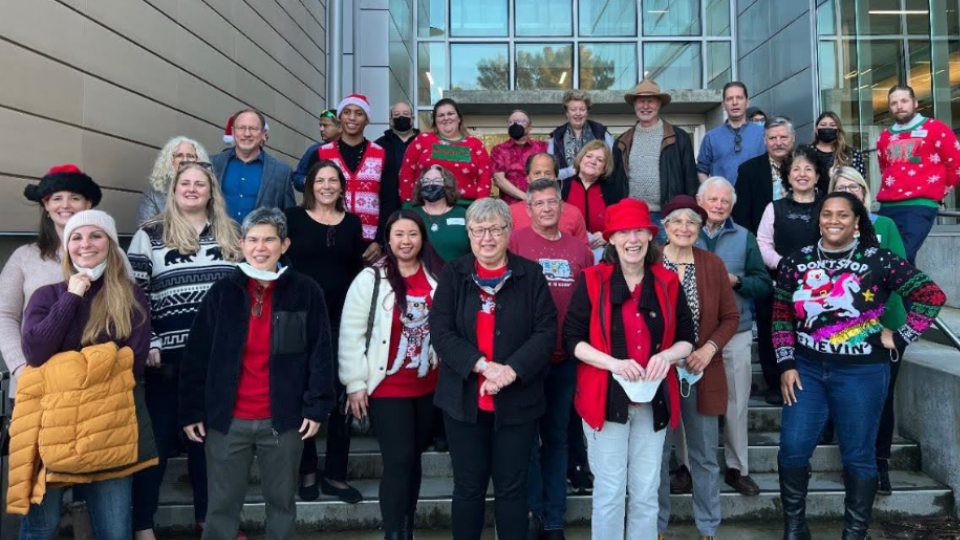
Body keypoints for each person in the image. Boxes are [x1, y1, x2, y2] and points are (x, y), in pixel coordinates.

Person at [774, 192, 945, 540]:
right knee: (792, 449)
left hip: (861, 373)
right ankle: (795, 528)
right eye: (826, 214)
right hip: (806, 370)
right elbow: (780, 317)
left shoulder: (878, 259)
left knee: (858, 456)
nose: (833, 220)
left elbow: (931, 295)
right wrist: (786, 363)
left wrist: (900, 337)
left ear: (856, 222)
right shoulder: (796, 261)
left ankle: (855, 533)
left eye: (842, 215)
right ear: (818, 219)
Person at [179, 207, 335, 540]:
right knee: (220, 508)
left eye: (269, 239)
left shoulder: (305, 291)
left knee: (281, 506)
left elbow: (321, 352)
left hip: (283, 420)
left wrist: (317, 404)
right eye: (252, 239)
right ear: (241, 243)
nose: (260, 247)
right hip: (227, 421)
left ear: (284, 244)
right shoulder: (223, 293)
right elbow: (197, 355)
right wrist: (192, 409)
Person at [15, 210, 155, 540]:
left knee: (115, 531)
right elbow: (35, 352)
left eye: (96, 236)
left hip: (109, 430)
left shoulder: (130, 296)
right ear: (67, 248)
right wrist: (72, 296)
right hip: (49, 432)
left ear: (110, 244)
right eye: (76, 237)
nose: (85, 244)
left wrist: (61, 369)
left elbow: (131, 363)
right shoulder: (47, 296)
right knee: (40, 528)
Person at [563, 198, 695, 540]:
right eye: (623, 232)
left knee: (647, 491)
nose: (632, 239)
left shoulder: (667, 281)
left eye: (639, 231)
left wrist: (665, 357)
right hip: (603, 399)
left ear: (650, 237)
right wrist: (615, 364)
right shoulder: (591, 280)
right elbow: (572, 341)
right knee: (608, 492)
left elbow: (686, 339)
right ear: (611, 239)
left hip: (654, 401)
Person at [127, 162, 243, 540]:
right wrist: (151, 341)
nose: (192, 189)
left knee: (208, 445)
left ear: (212, 192)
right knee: (156, 444)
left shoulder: (233, 233)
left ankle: (209, 521)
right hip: (168, 360)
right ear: (173, 190)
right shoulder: (150, 234)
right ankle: (143, 526)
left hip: (217, 359)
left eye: (200, 184)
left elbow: (244, 290)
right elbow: (133, 295)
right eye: (185, 184)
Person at [430, 198, 557, 540]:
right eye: (479, 230)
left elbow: (545, 332)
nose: (487, 237)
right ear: (469, 234)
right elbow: (441, 331)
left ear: (508, 231)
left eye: (495, 229)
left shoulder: (530, 274)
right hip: (463, 401)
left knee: (512, 488)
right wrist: (484, 367)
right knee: (468, 487)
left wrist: (510, 371)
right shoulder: (453, 274)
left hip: (518, 402)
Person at [340, 210, 444, 540]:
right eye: (399, 234)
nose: (406, 241)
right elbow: (351, 333)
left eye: (412, 234)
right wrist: (355, 384)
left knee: (413, 462)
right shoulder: (371, 279)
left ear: (422, 238)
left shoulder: (436, 278)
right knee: (398, 461)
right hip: (387, 388)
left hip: (427, 386)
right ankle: (393, 533)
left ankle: (407, 527)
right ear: (388, 239)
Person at [507, 178, 593, 540]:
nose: (545, 208)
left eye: (551, 202)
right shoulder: (515, 243)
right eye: (538, 203)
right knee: (526, 441)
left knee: (557, 439)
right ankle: (533, 514)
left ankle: (554, 520)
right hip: (525, 359)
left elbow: (589, 302)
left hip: (566, 358)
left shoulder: (580, 250)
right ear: (528, 210)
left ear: (563, 208)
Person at [656, 195, 739, 540]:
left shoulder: (711, 264)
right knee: (656, 456)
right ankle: (656, 526)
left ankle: (707, 528)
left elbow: (730, 317)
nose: (684, 227)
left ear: (701, 228)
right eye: (677, 221)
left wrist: (708, 348)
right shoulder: (650, 263)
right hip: (657, 373)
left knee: (704, 455)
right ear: (665, 227)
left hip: (701, 370)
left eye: (692, 222)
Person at [284, 161, 367, 504]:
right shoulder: (292, 218)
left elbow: (356, 272)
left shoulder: (352, 223)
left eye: (334, 180)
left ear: (342, 187)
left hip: (341, 319)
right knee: (302, 393)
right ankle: (306, 470)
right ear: (310, 186)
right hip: (297, 317)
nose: (327, 186)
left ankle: (335, 473)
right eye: (321, 180)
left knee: (341, 394)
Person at [828, 167, 908, 495]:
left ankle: (880, 462)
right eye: (841, 187)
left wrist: (884, 327)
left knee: (882, 397)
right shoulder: (828, 228)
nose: (849, 191)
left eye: (854, 187)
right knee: (847, 397)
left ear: (864, 192)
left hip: (884, 326)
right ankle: (854, 463)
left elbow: (901, 274)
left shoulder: (884, 225)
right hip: (844, 329)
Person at [694, 178, 772, 497]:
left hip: (736, 332)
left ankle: (738, 468)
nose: (718, 205)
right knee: (693, 405)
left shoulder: (744, 237)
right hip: (692, 335)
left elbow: (763, 284)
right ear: (700, 201)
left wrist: (737, 281)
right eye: (712, 199)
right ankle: (687, 467)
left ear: (732, 204)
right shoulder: (683, 231)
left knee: (736, 405)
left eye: (725, 201)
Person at [1, 165, 99, 403]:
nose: (65, 205)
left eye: (74, 197)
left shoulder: (113, 255)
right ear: (46, 205)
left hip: (95, 385)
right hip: (36, 383)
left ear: (87, 204)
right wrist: (20, 367)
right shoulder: (24, 257)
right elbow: (5, 315)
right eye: (57, 198)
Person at [754, 147, 826, 406]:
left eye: (808, 169)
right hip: (780, 283)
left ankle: (812, 391)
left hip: (821, 289)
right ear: (788, 176)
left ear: (818, 176)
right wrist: (784, 264)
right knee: (775, 333)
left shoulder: (828, 206)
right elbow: (762, 243)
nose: (802, 174)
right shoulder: (774, 208)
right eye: (796, 169)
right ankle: (776, 385)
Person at [877, 84, 960, 264]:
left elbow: (955, 164)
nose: (899, 106)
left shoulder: (936, 128)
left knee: (900, 258)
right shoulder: (884, 136)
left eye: (904, 101)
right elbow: (884, 169)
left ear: (915, 103)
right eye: (894, 103)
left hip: (918, 205)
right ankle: (911, 292)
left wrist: (939, 192)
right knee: (890, 260)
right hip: (887, 205)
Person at [304, 94, 387, 263]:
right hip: (328, 236)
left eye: (359, 113)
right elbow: (310, 197)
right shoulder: (320, 154)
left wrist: (380, 241)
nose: (352, 117)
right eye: (347, 112)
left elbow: (389, 200)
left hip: (369, 244)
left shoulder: (382, 154)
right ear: (340, 117)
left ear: (367, 120)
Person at [612, 80, 699, 238]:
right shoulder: (622, 142)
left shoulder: (680, 138)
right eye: (641, 101)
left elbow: (691, 181)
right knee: (635, 261)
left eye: (650, 101)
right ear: (634, 105)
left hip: (669, 217)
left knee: (667, 261)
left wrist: (688, 216)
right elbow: (614, 183)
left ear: (659, 104)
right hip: (633, 216)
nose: (645, 106)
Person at [399, 98, 493, 204]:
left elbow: (485, 177)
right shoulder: (422, 139)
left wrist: (480, 206)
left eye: (450, 113)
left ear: (459, 118)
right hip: (426, 207)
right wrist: (407, 203)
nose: (446, 118)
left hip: (465, 208)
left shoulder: (475, 144)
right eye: (441, 115)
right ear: (435, 120)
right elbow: (406, 172)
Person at [211, 108, 296, 222]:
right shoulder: (212, 164)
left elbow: (289, 218)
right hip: (218, 238)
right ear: (233, 131)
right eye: (241, 128)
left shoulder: (282, 172)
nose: (247, 134)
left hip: (260, 239)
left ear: (263, 133)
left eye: (253, 129)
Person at [731, 116, 798, 235]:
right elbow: (741, 215)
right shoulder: (749, 170)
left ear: (793, 138)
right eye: (772, 138)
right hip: (762, 241)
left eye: (783, 137)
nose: (778, 143)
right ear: (765, 141)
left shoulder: (808, 168)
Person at [508, 153, 589, 244]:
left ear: (556, 178)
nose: (542, 178)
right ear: (528, 178)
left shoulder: (574, 213)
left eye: (548, 173)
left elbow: (585, 253)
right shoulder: (511, 213)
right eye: (537, 173)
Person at [561, 140, 623, 257]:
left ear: (605, 167)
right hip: (568, 249)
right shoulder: (563, 186)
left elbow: (620, 221)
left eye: (600, 160)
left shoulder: (612, 190)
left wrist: (607, 235)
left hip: (603, 251)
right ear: (580, 159)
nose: (593, 161)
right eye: (589, 156)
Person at [697, 82, 766, 185]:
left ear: (747, 102)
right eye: (729, 99)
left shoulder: (763, 134)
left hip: (757, 198)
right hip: (723, 199)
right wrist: (713, 192)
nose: (735, 102)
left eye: (739, 98)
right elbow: (701, 171)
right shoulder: (711, 137)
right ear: (723, 105)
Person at [136, 136, 211, 226]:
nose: (185, 160)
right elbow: (146, 231)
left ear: (198, 160)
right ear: (170, 161)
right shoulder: (154, 195)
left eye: (190, 156)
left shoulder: (208, 193)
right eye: (179, 156)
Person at [547, 89, 614, 181]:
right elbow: (549, 172)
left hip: (598, 188)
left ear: (587, 112)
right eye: (573, 109)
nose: (578, 113)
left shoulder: (601, 132)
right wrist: (571, 171)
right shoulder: (556, 136)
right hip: (565, 191)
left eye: (582, 109)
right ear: (567, 113)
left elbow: (612, 165)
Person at [409, 164, 471, 262]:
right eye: (426, 181)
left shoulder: (464, 214)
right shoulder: (410, 215)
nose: (431, 184)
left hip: (458, 274)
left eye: (437, 181)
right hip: (421, 275)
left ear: (447, 184)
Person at [377, 102, 420, 238]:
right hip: (387, 205)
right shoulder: (379, 145)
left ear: (412, 118)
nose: (401, 117)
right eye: (397, 115)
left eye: (406, 114)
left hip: (418, 203)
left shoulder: (424, 142)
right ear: (390, 120)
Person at [490, 110, 549, 203]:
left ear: (530, 127)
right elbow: (498, 179)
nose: (515, 124)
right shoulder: (499, 150)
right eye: (511, 122)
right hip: (511, 207)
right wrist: (526, 197)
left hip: (540, 204)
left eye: (520, 121)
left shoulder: (543, 147)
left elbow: (551, 174)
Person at [293, 109, 341, 191]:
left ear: (340, 127)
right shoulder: (314, 150)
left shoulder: (351, 150)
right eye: (320, 125)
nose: (321, 129)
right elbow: (297, 177)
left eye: (325, 125)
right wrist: (307, 181)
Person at [810, 111, 865, 178]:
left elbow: (860, 180)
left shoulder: (852, 153)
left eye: (832, 125)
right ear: (816, 129)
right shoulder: (807, 153)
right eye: (823, 125)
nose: (827, 128)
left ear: (838, 130)